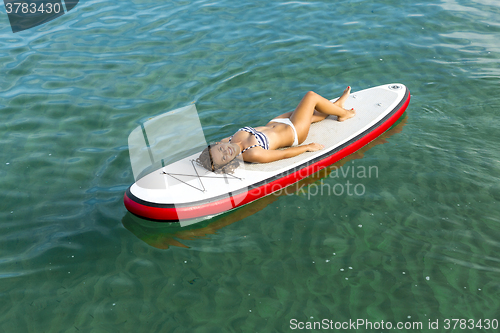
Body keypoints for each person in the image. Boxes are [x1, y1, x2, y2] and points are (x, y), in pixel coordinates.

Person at [196, 86, 356, 173]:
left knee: (314, 114)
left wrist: (206, 158)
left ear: (217, 143)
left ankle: (337, 106)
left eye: (221, 149)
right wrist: (307, 147)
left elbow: (215, 152)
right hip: (294, 132)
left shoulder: (228, 141)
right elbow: (282, 154)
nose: (226, 151)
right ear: (227, 163)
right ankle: (344, 114)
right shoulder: (252, 153)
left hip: (277, 122)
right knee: (311, 97)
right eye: (224, 157)